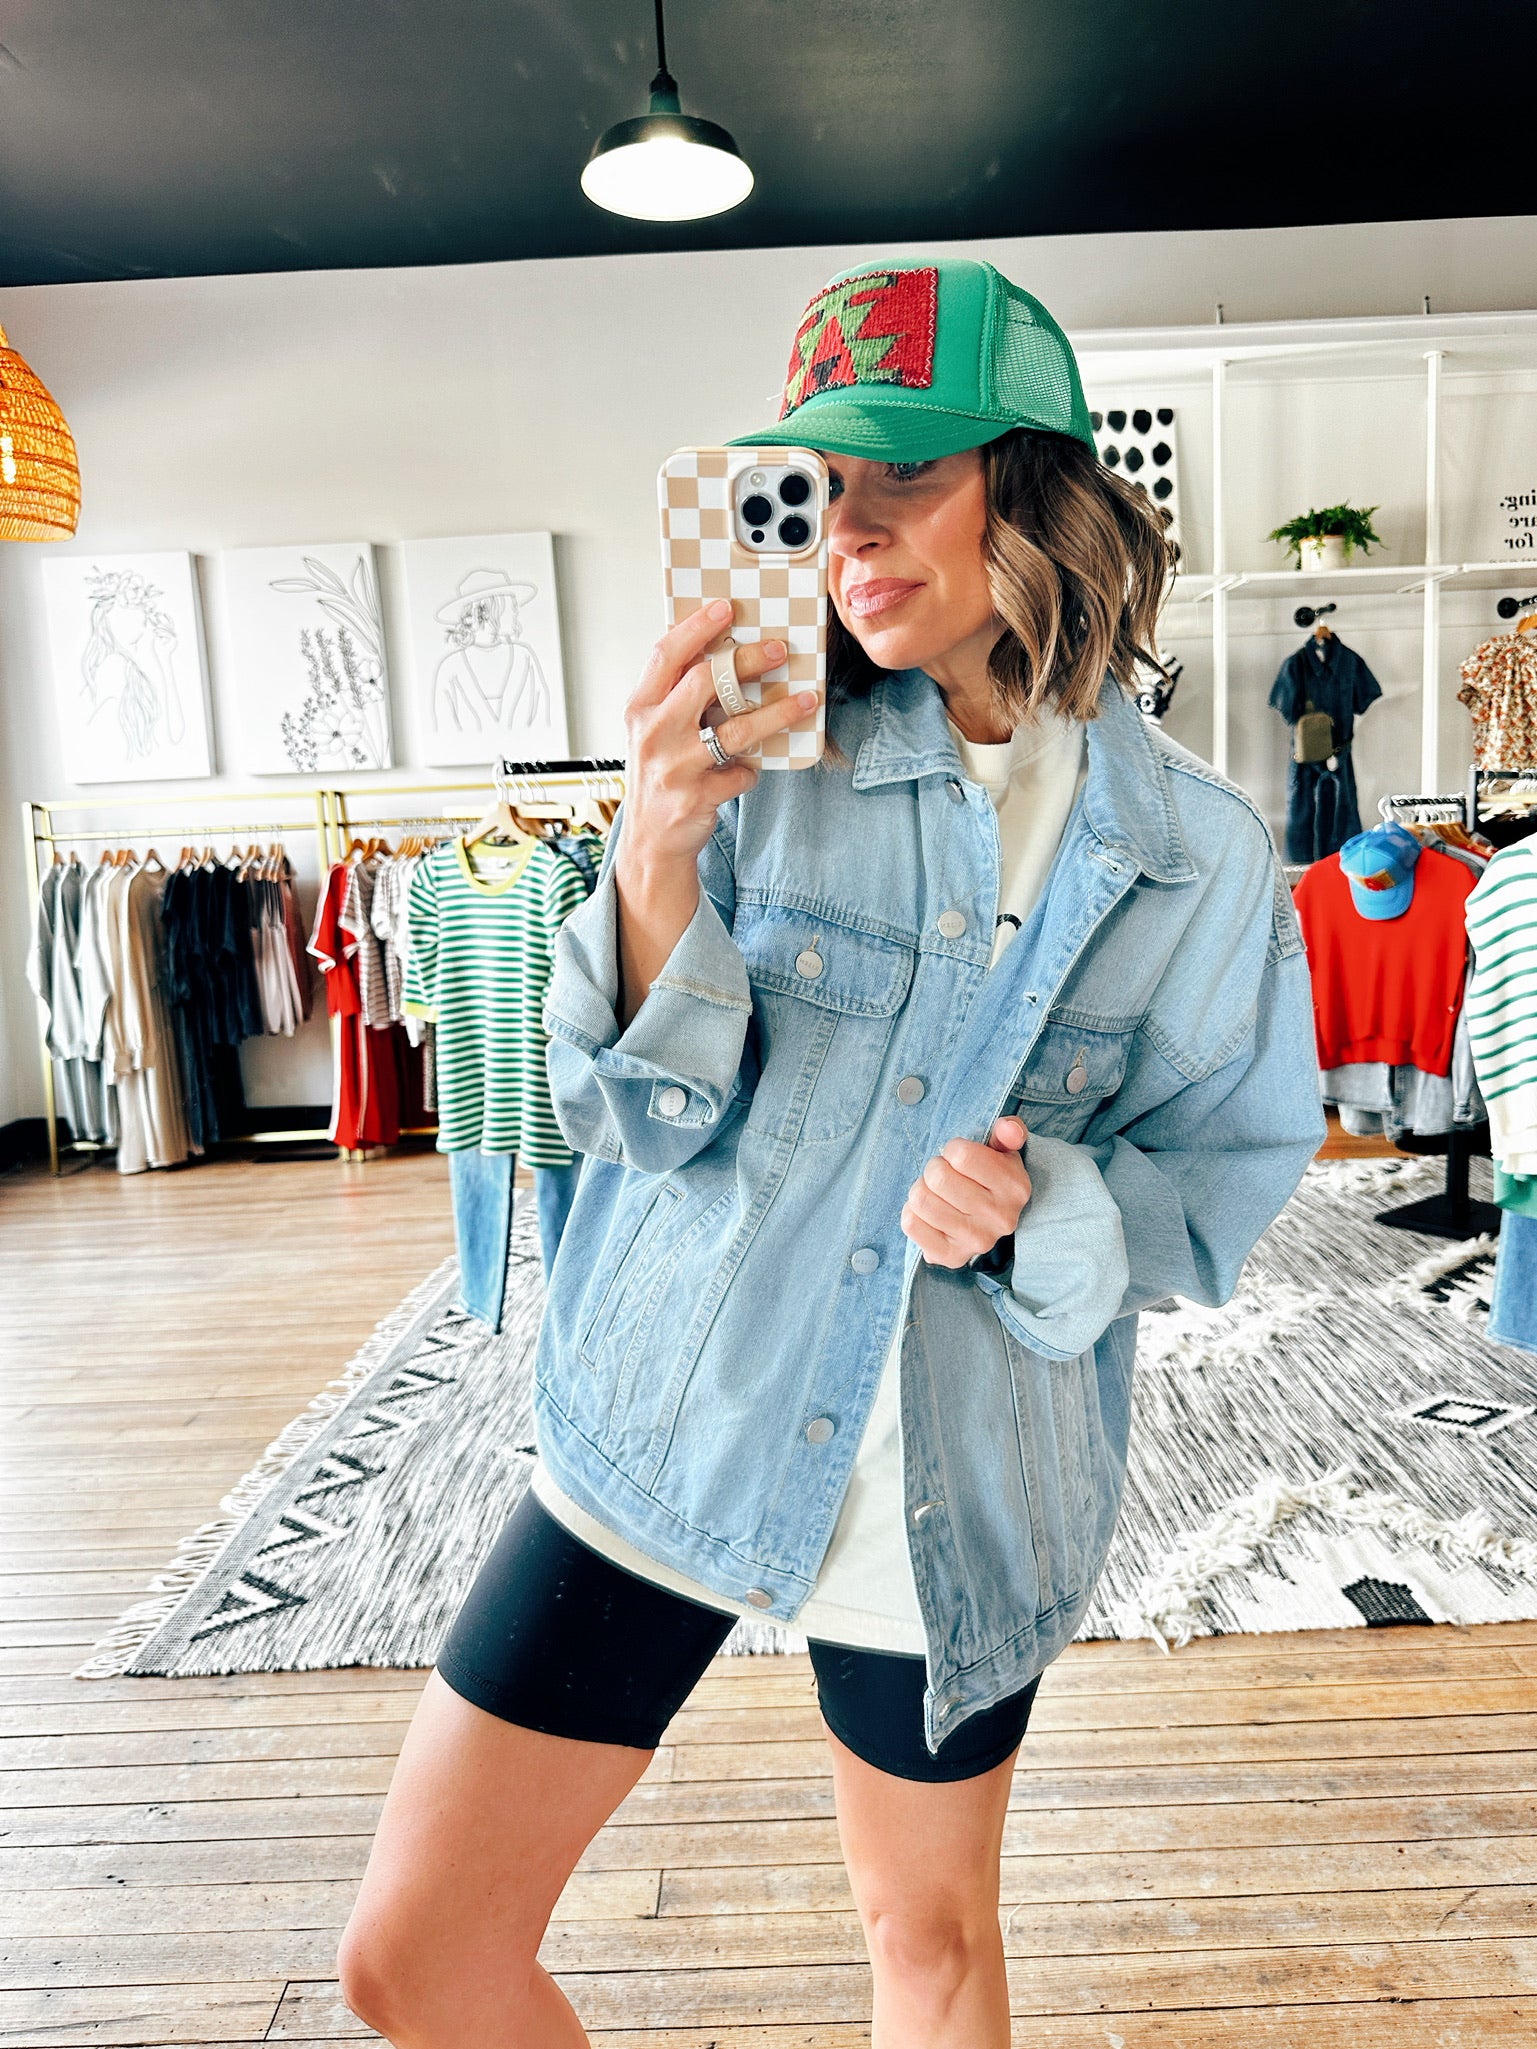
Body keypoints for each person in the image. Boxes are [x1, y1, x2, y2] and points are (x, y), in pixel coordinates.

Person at [337, 256, 1326, 2048]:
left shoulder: (1199, 856)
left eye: (905, 477)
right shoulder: (755, 769)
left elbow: (1221, 1183)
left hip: (960, 1476)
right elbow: (635, 1122)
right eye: (815, 488)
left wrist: (1048, 1202)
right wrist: (650, 854)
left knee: (926, 1948)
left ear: (1035, 491)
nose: (849, 533)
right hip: (677, 1410)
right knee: (412, 1954)